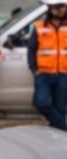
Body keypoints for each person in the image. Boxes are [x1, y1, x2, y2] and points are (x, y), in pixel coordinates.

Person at [29, 0, 67, 131]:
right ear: (50, 9)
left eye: (62, 7)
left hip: (63, 74)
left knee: (60, 108)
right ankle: (63, 127)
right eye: (56, 7)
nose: (60, 10)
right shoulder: (39, 26)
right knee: (40, 103)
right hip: (44, 74)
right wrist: (34, 69)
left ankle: (59, 137)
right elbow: (31, 50)